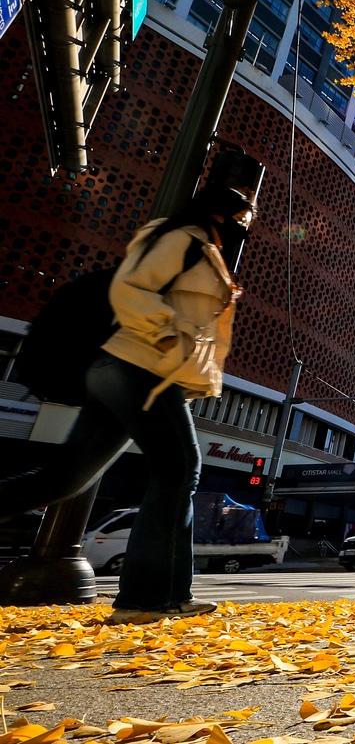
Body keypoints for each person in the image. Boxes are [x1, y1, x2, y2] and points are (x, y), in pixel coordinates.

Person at [0, 186, 253, 623]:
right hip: (138, 366)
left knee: (65, 479)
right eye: (243, 217)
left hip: (137, 371)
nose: (246, 226)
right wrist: (168, 332)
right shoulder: (181, 237)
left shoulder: (209, 253)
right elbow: (131, 288)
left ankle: (169, 595)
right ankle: (147, 598)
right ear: (220, 212)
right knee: (179, 470)